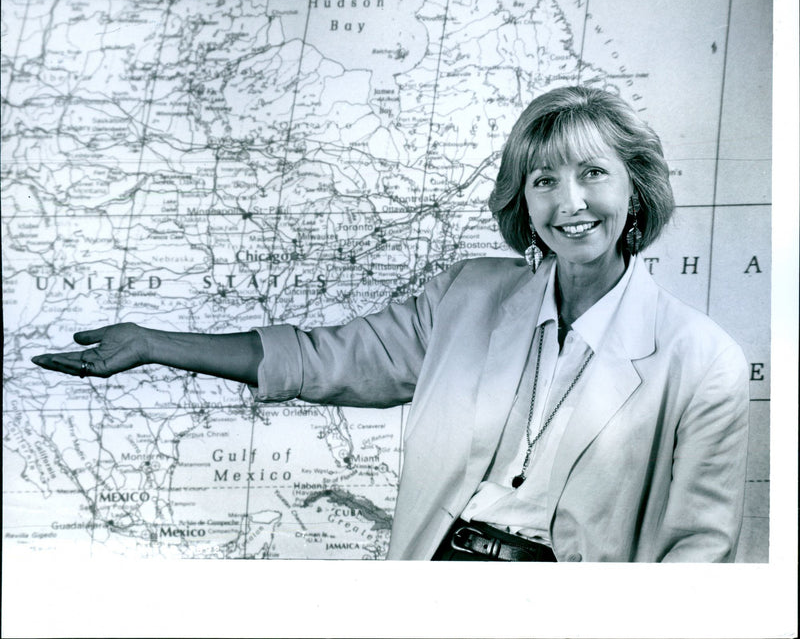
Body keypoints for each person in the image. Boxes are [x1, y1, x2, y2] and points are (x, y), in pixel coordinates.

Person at [32, 86, 750, 562]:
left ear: (635, 189)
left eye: (593, 173)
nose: (571, 202)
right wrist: (154, 344)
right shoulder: (467, 296)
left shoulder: (701, 358)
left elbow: (700, 553)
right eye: (544, 180)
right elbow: (324, 359)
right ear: (523, 205)